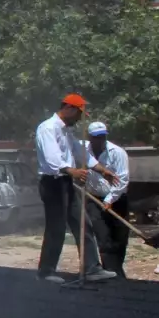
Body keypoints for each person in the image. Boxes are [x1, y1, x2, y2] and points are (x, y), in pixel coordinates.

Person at [35, 94, 121, 284]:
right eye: (79, 114)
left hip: (66, 182)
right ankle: (46, 271)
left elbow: (79, 152)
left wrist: (102, 170)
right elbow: (52, 158)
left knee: (82, 223)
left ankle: (91, 269)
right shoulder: (48, 128)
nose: (79, 119)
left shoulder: (67, 131)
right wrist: (71, 170)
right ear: (69, 109)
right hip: (53, 183)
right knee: (56, 228)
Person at [83, 121, 131, 278]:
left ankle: (117, 270)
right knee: (103, 238)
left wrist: (109, 199)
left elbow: (122, 180)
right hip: (94, 200)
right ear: (90, 137)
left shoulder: (117, 152)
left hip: (117, 200)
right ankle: (111, 271)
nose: (99, 140)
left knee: (120, 238)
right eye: (96, 137)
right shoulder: (83, 151)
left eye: (102, 137)